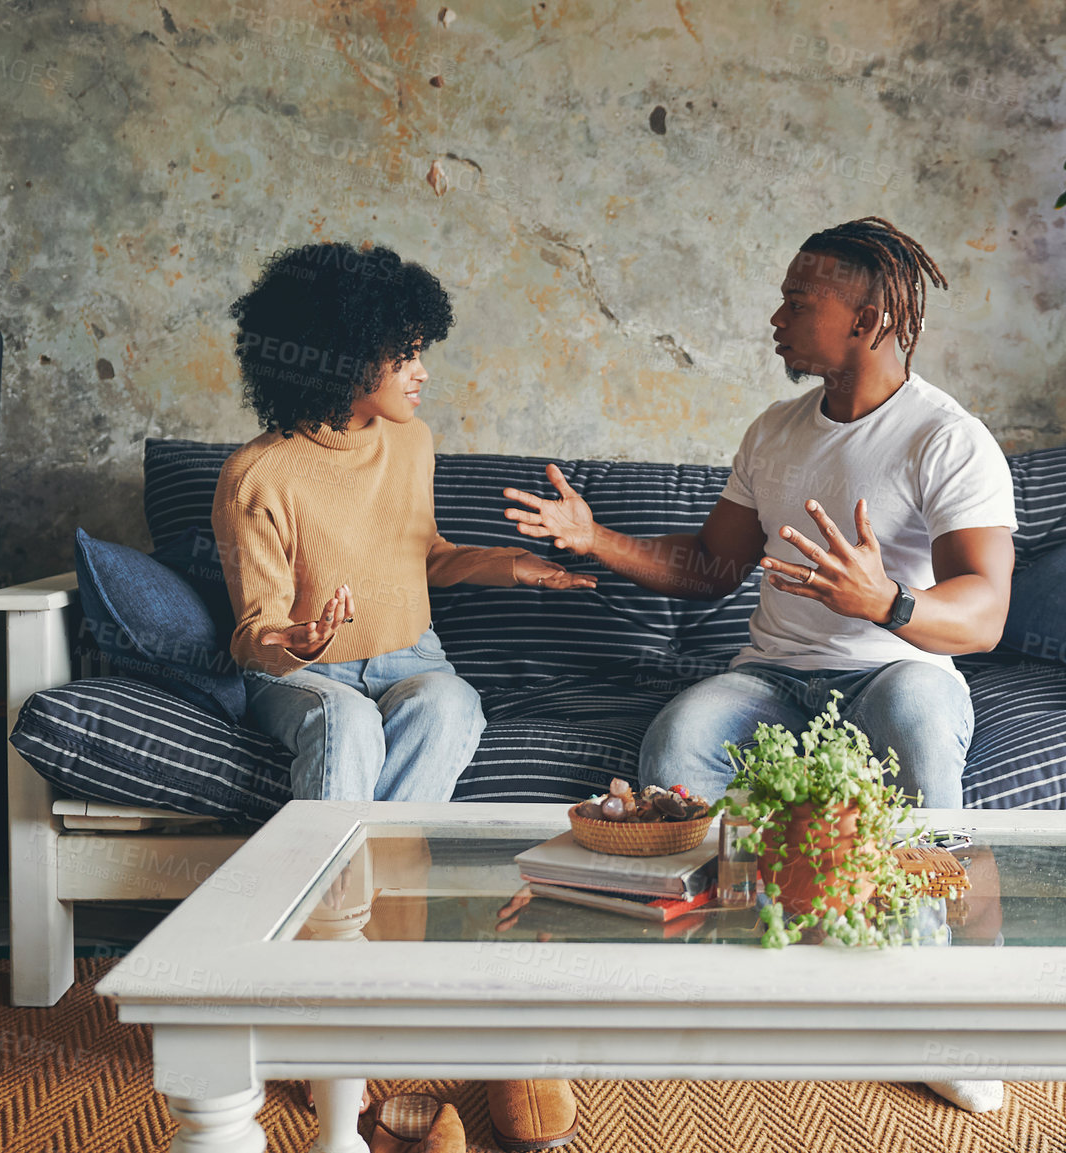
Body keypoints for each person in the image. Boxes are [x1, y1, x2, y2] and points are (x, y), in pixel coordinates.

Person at [214, 240, 584, 1153]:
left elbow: (424, 556)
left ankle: (371, 962)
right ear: (347, 355)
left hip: (410, 652)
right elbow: (252, 632)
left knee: (449, 706)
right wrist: (293, 640)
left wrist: (515, 568)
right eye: (405, 352)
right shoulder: (257, 475)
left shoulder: (411, 443)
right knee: (342, 721)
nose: (422, 372)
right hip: (308, 676)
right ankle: (320, 997)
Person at [502, 216, 1017, 810]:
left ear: (867, 321)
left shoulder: (947, 438)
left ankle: (927, 893)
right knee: (675, 749)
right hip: (773, 678)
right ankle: (708, 901)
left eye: (797, 304)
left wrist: (884, 601)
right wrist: (594, 538)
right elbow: (714, 565)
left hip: (897, 673)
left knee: (916, 722)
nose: (777, 320)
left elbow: (985, 615)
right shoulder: (774, 429)